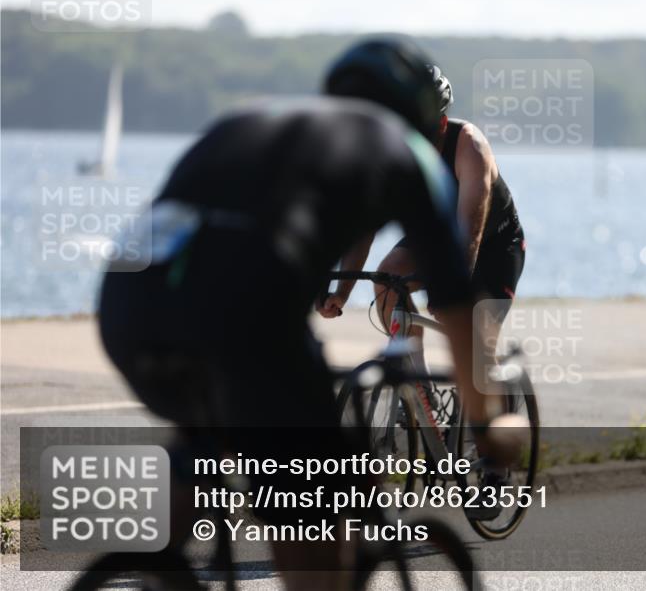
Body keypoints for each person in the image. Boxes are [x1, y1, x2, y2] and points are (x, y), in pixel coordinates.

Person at [98, 39, 519, 589]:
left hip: (127, 307)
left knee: (210, 430)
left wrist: (334, 287)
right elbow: (454, 299)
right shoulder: (403, 149)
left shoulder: (251, 117)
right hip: (243, 315)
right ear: (420, 115)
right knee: (314, 509)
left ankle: (162, 565)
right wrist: (486, 427)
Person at [317, 65, 526, 380]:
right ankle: (417, 385)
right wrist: (342, 292)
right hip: (439, 234)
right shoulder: (389, 155)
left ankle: (492, 422)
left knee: (477, 357)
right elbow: (364, 230)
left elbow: (470, 232)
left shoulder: (469, 146)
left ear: (441, 122)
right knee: (387, 280)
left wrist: (451, 293)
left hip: (494, 243)